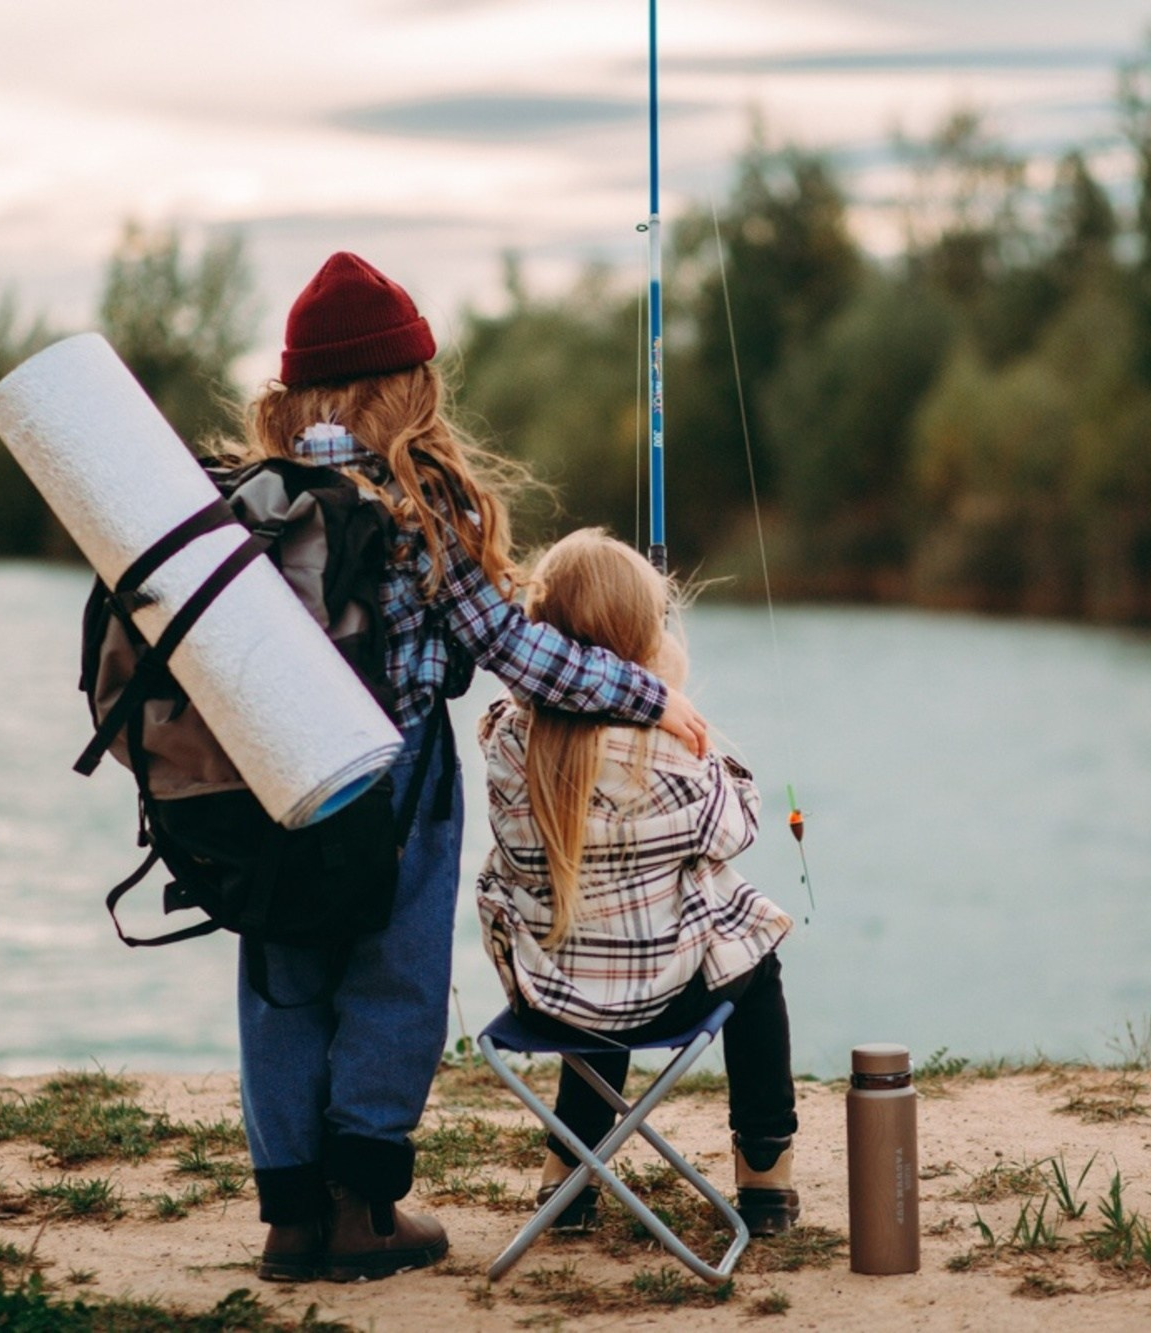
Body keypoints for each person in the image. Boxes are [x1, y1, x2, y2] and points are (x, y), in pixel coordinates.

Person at [235, 254, 709, 1284]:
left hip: (273, 780)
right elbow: (514, 650)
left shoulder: (252, 503)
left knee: (283, 979)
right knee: (391, 974)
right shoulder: (413, 503)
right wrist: (648, 695)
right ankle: (362, 1207)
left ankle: (291, 1216)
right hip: (393, 779)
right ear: (396, 390)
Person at [474, 529, 801, 1237]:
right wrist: (679, 710)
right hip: (660, 994)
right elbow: (737, 828)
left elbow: (532, 717)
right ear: (641, 647)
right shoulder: (665, 752)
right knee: (755, 957)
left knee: (596, 949)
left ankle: (568, 1176)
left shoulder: (504, 739)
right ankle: (766, 1173)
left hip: (548, 994)